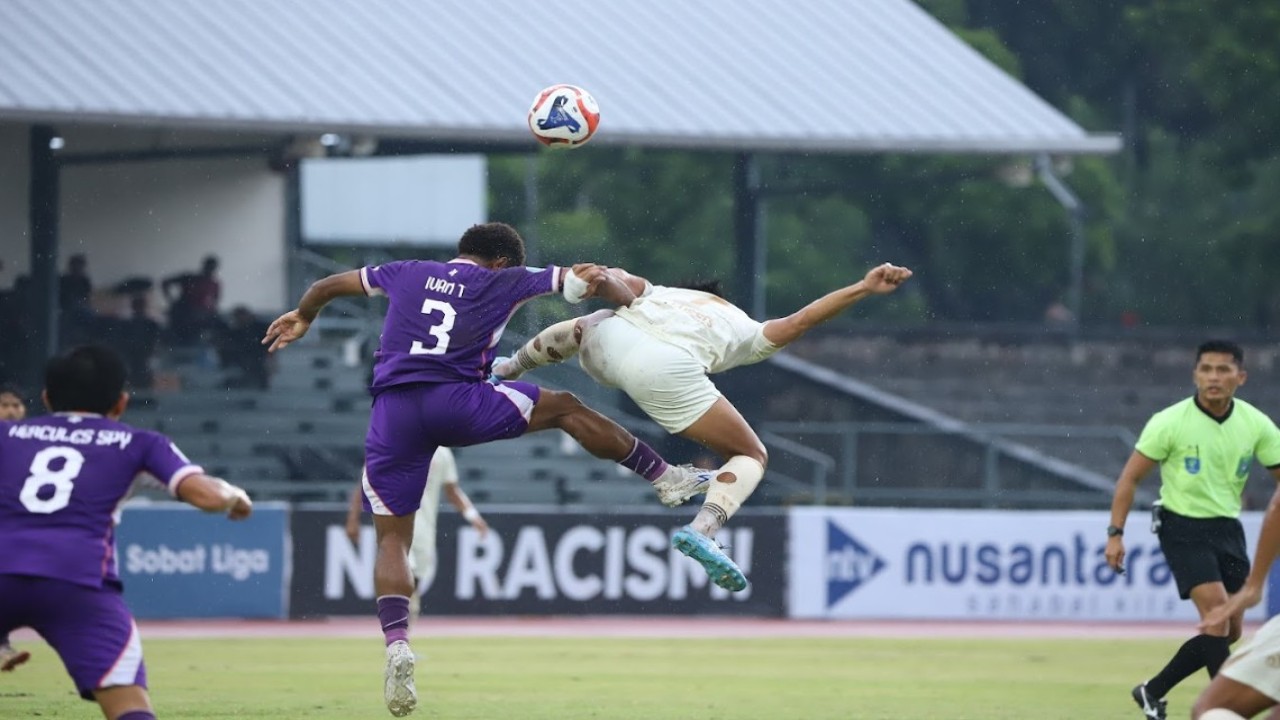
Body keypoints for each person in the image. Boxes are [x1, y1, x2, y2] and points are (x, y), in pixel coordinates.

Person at [261, 221, 711, 717]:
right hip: (459, 401)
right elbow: (585, 278)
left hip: (394, 413)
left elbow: (325, 286)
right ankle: (665, 478)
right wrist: (620, 293)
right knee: (566, 407)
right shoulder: (505, 279)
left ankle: (397, 643)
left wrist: (304, 316)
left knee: (392, 541)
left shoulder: (406, 271)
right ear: (500, 262)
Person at [492, 262, 914, 593]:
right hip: (665, 370)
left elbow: (617, 282)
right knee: (750, 454)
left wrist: (598, 280)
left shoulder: (662, 292)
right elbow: (802, 320)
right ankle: (703, 530)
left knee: (590, 321)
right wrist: (863, 288)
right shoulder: (748, 329)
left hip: (607, 343)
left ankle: (506, 368)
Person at [0, 345, 253, 720]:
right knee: (128, 705)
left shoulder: (7, 435)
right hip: (78, 583)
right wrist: (235, 496)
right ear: (120, 403)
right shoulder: (139, 443)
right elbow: (208, 497)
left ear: (47, 398)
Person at [1103, 340, 1280, 720]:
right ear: (1195, 375)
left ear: (1241, 377)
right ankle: (1225, 708)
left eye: (1223, 370)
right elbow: (1129, 479)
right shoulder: (1169, 421)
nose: (1214, 377)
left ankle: (1152, 690)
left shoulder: (1256, 424)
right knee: (1216, 613)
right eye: (1206, 369)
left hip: (1228, 528)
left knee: (1230, 630)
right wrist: (1115, 533)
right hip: (1181, 526)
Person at [345, 447, 488, 634]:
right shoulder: (393, 441)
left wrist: (473, 516)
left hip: (425, 530)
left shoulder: (442, 453)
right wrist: (353, 518)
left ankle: (402, 634)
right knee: (403, 577)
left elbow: (452, 490)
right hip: (395, 523)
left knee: (414, 584)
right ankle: (397, 635)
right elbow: (366, 481)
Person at [0, 383, 29, 672]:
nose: (10, 411)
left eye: (16, 405)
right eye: (4, 405)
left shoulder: (32, 443)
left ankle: (2, 645)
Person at [162, 255, 222, 345]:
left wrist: (210, 311)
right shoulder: (189, 278)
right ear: (204, 266)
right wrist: (171, 300)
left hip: (201, 316)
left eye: (212, 268)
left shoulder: (214, 284)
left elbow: (215, 301)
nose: (210, 270)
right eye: (209, 267)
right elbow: (165, 282)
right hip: (184, 313)